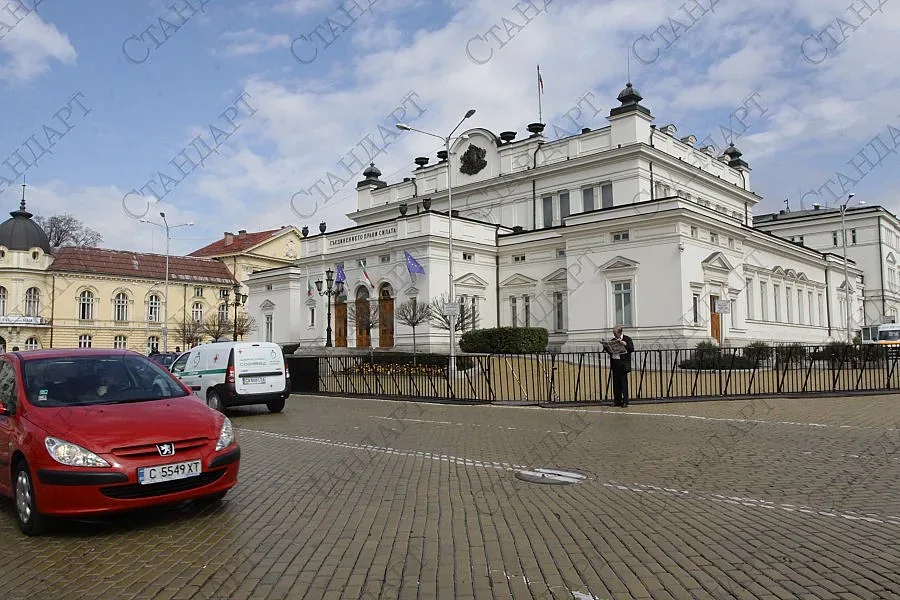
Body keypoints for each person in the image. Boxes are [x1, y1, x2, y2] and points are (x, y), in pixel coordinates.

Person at [603, 325, 635, 407]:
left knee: (623, 383)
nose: (614, 335)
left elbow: (631, 349)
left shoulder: (627, 339)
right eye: (613, 333)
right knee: (616, 383)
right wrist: (606, 347)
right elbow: (610, 352)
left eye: (615, 333)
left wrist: (625, 344)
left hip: (623, 364)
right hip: (615, 363)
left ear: (620, 332)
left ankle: (625, 401)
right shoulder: (613, 340)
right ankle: (617, 401)